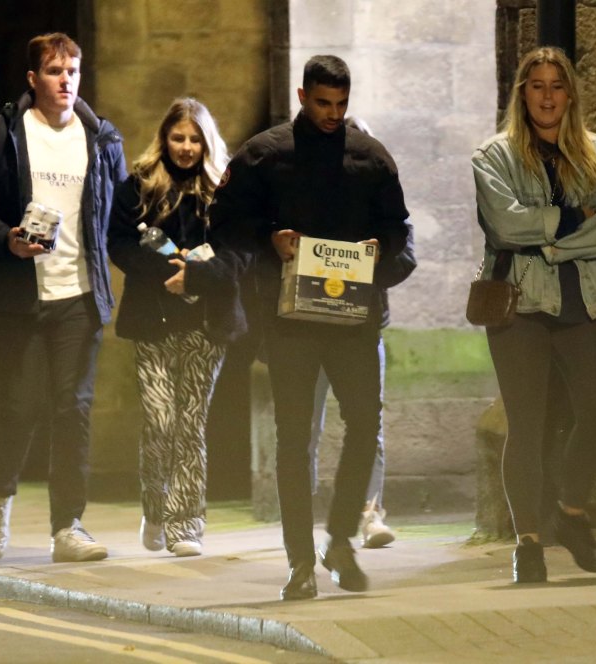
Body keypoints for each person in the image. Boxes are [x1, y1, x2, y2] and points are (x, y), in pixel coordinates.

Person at [208, 55, 411, 600]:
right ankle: (300, 562)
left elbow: (401, 236)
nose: (332, 113)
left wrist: (379, 255)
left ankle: (340, 538)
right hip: (289, 322)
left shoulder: (370, 158)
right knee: (294, 441)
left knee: (366, 424)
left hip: (354, 321)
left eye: (341, 105)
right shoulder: (264, 155)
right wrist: (269, 238)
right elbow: (223, 221)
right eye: (323, 103)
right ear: (303, 96)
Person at [0, 32, 127, 563]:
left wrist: (166, 254)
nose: (65, 80)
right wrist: (6, 237)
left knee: (73, 408)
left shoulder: (101, 140)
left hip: (79, 293)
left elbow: (124, 214)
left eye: (73, 71)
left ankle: (67, 526)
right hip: (20, 297)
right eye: (54, 71)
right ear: (33, 79)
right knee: (21, 405)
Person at [471, 47, 596, 583]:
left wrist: (552, 244)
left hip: (583, 298)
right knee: (528, 425)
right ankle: (529, 544)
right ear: (523, 94)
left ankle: (571, 512)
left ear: (570, 94)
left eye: (556, 86)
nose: (546, 95)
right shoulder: (494, 158)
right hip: (518, 304)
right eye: (536, 85)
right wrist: (569, 219)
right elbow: (505, 227)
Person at [107, 98, 246, 557]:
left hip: (207, 322)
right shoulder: (138, 186)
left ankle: (185, 524)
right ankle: (155, 506)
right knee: (161, 419)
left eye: (194, 139)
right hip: (154, 321)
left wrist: (198, 276)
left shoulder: (227, 190)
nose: (185, 148)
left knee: (191, 423)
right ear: (164, 138)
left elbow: (240, 252)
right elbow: (119, 243)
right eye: (177, 137)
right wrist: (164, 271)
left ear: (207, 142)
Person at [306, 115, 416, 550]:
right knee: (305, 427)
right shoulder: (307, 196)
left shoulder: (381, 200)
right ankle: (305, 511)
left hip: (362, 325)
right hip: (310, 327)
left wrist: (374, 263)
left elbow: (404, 253)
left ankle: (369, 513)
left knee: (369, 424)